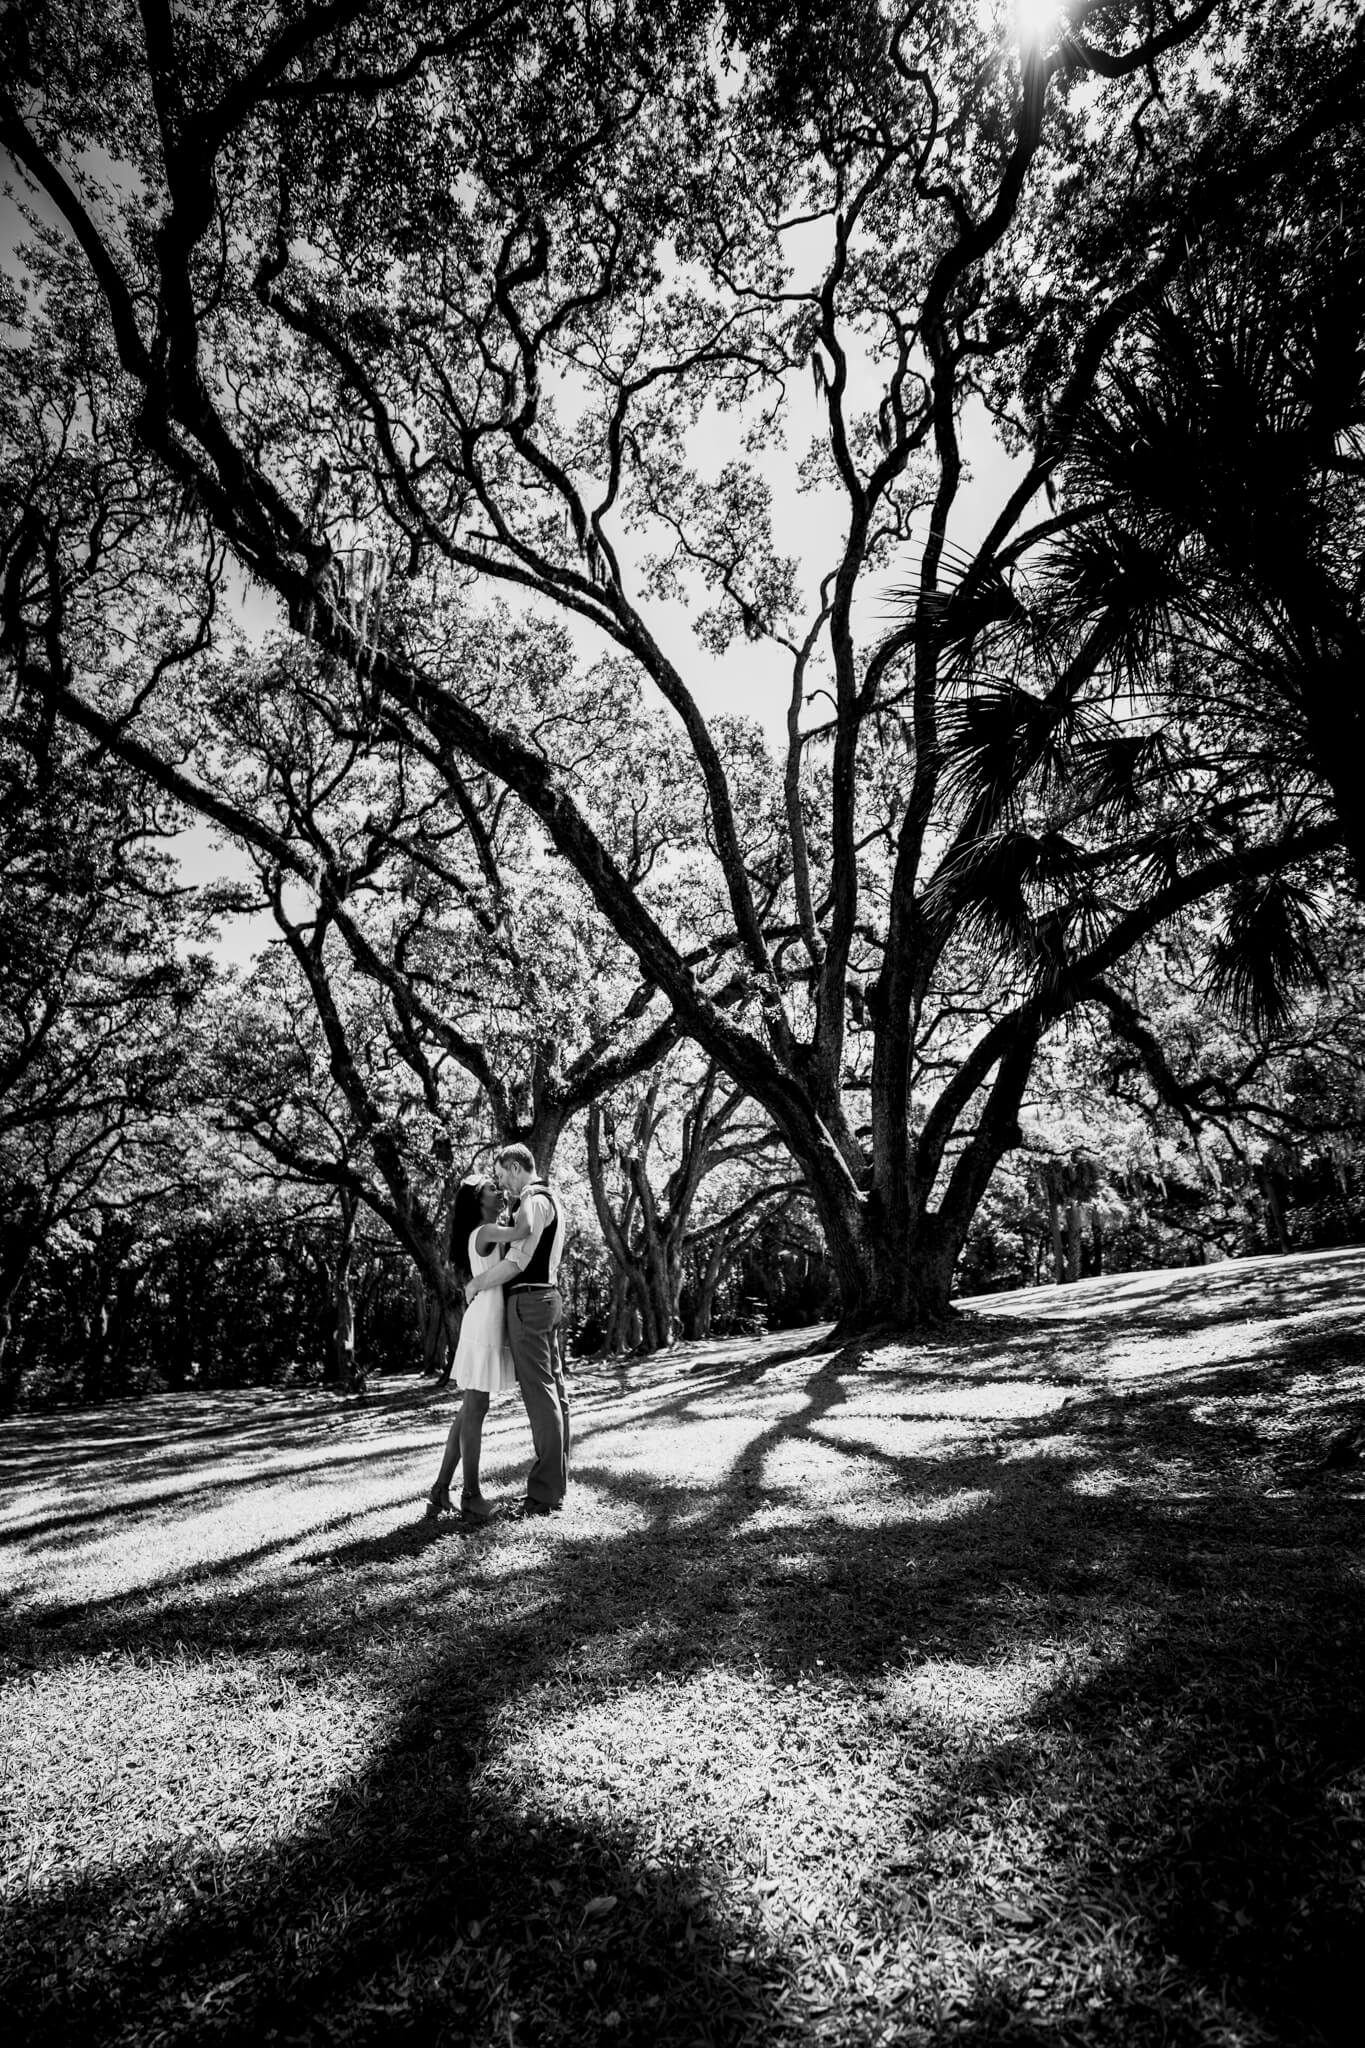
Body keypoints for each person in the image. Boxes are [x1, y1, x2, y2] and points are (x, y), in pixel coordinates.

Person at [464, 1143, 570, 1515]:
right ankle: (556, 1481)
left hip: (529, 1302)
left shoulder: (533, 1200)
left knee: (541, 1396)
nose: (501, 1184)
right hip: (548, 1298)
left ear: (514, 1166)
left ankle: (544, 1493)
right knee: (554, 1392)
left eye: (501, 1175)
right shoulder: (549, 1198)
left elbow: (517, 1262)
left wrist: (477, 1284)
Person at [424, 1176, 527, 1525]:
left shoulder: (489, 1227)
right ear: (477, 1200)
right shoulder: (483, 1232)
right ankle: (472, 1495)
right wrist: (524, 1194)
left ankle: (440, 1488)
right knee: (476, 1408)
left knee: (469, 1410)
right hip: (483, 1323)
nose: (498, 1192)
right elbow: (522, 1232)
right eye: (492, 1189)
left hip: (488, 1318)